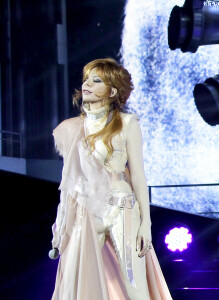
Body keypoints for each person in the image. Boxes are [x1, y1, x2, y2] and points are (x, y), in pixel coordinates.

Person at [50, 58, 172, 300]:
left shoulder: (127, 124)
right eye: (86, 79)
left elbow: (138, 176)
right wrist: (61, 225)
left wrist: (145, 224)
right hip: (85, 211)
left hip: (122, 210)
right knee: (75, 284)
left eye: (96, 81)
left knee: (135, 286)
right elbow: (69, 185)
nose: (87, 84)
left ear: (112, 90)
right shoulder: (71, 129)